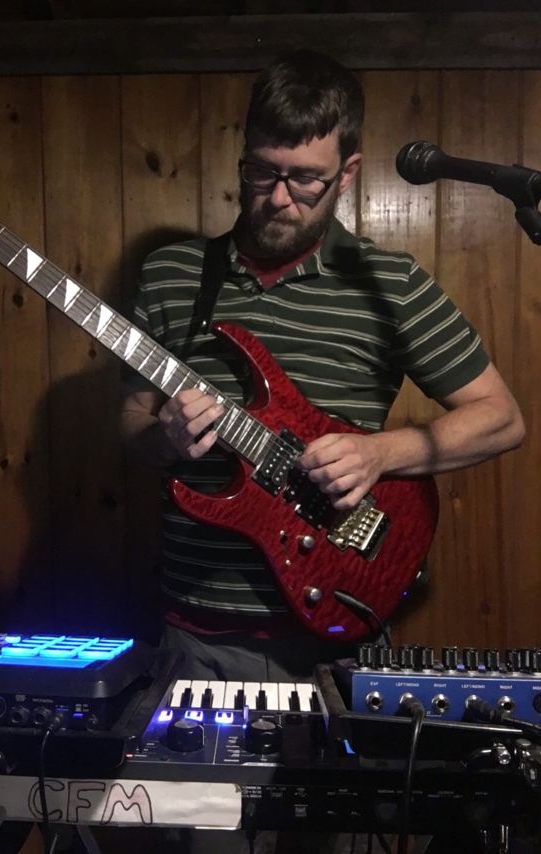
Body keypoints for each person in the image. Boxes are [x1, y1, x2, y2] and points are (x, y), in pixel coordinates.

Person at [119, 50, 524, 853]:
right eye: (261, 172)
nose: (277, 197)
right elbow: (130, 421)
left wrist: (382, 454)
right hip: (199, 645)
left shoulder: (390, 283)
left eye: (305, 179)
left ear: (349, 172)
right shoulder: (171, 276)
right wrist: (160, 435)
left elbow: (500, 418)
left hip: (335, 647)